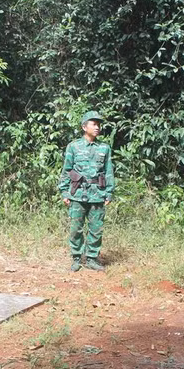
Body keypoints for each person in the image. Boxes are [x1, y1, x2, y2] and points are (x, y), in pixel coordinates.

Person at [58, 110, 115, 272]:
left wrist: (109, 192)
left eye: (99, 125)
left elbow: (108, 171)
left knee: (96, 228)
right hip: (78, 193)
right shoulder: (73, 147)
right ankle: (76, 258)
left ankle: (92, 258)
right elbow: (67, 170)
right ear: (84, 127)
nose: (97, 127)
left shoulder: (104, 148)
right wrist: (64, 192)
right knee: (76, 227)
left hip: (97, 194)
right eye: (94, 124)